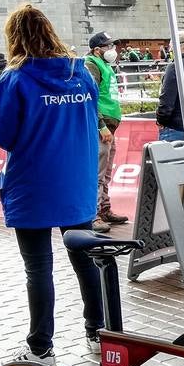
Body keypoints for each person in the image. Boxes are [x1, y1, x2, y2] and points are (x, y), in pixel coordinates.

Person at [0, 4, 104, 363]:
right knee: (85, 262)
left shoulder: (15, 78)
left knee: (38, 268)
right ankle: (98, 332)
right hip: (76, 182)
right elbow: (92, 116)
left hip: (33, 183)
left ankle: (41, 347)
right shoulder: (80, 74)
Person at [84, 31, 127, 233]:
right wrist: (100, 125)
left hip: (109, 127)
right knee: (98, 173)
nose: (113, 50)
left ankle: (104, 209)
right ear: (97, 49)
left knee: (106, 172)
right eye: (108, 46)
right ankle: (93, 215)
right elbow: (90, 97)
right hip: (101, 128)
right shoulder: (91, 65)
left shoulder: (105, 65)